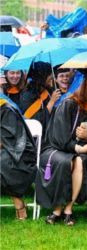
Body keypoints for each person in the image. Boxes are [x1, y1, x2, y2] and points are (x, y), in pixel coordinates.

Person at [35, 69, 87, 226]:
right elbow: (59, 137)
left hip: (81, 151)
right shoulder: (69, 103)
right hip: (55, 148)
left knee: (80, 161)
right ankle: (59, 210)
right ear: (84, 84)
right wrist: (78, 148)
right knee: (69, 161)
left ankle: (67, 208)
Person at [0, 84, 37, 220]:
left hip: (20, 154)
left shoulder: (5, 108)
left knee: (2, 166)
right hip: (6, 152)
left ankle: (18, 203)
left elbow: (12, 139)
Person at [19, 62, 61, 139]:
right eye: (50, 75)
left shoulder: (47, 90)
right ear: (42, 76)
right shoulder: (27, 95)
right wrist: (51, 102)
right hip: (36, 140)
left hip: (51, 134)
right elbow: (35, 122)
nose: (53, 78)